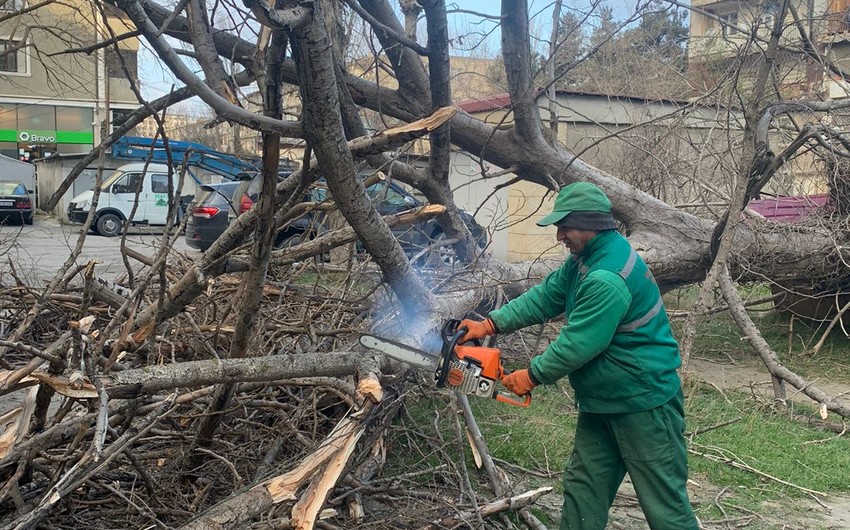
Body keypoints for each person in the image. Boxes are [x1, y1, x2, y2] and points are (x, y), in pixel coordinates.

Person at [460, 182, 699, 530]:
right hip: (603, 401)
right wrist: (490, 324)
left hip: (643, 403)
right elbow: (545, 297)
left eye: (564, 227)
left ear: (589, 224)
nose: (559, 236)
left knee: (664, 506)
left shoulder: (606, 276)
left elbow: (580, 343)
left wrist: (532, 375)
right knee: (583, 491)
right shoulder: (586, 258)